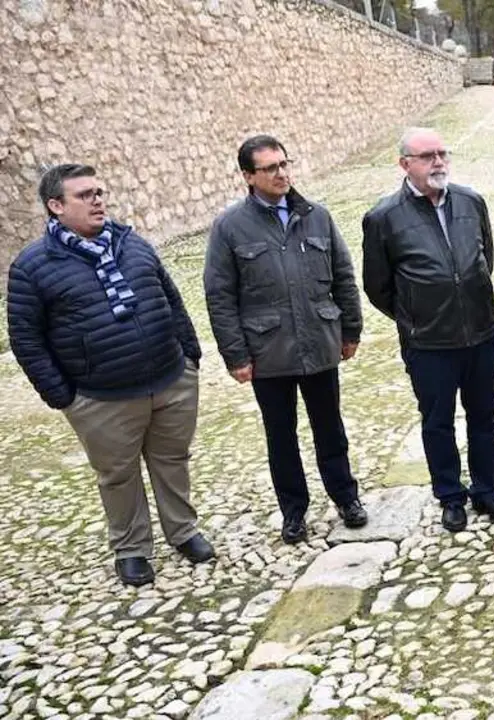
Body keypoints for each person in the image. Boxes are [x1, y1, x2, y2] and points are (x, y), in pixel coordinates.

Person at [8, 163, 214, 585]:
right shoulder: (33, 266)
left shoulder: (131, 243)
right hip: (101, 397)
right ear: (55, 206)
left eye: (99, 192)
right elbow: (26, 339)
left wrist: (189, 354)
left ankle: (183, 530)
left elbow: (170, 297)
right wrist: (63, 397)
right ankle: (132, 548)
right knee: (118, 476)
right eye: (84, 195)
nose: (97, 200)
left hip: (170, 378)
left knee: (172, 460)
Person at [205, 135, 367, 545]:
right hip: (268, 351)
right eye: (270, 168)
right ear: (248, 176)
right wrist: (235, 355)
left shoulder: (316, 216)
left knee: (330, 429)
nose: (281, 173)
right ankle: (293, 511)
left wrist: (351, 330)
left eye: (284, 164)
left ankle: (346, 498)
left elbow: (344, 275)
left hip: (319, 341)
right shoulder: (230, 226)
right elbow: (219, 294)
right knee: (281, 436)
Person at [363, 128, 494, 533]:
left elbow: (486, 257)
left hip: (481, 332)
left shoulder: (470, 201)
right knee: (438, 421)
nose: (438, 162)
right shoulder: (383, 217)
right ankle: (450, 495)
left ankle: (487, 489)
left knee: (485, 415)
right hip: (429, 342)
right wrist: (415, 316)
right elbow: (377, 286)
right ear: (405, 164)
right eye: (427, 156)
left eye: (442, 154)